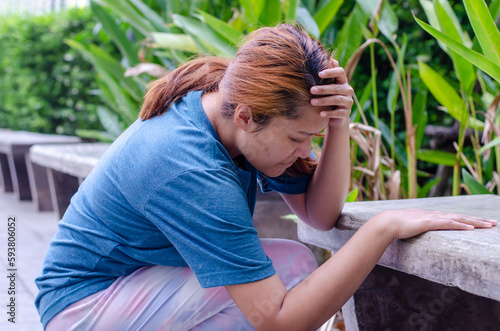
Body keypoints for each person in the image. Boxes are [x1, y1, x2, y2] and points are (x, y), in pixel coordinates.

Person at [35, 24, 496, 330]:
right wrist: (382, 229)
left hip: (143, 282)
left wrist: (337, 124)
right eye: (299, 137)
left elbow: (320, 214)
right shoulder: (188, 168)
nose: (305, 152)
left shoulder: (233, 108)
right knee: (291, 273)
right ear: (247, 118)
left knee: (291, 262)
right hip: (83, 308)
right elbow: (278, 322)